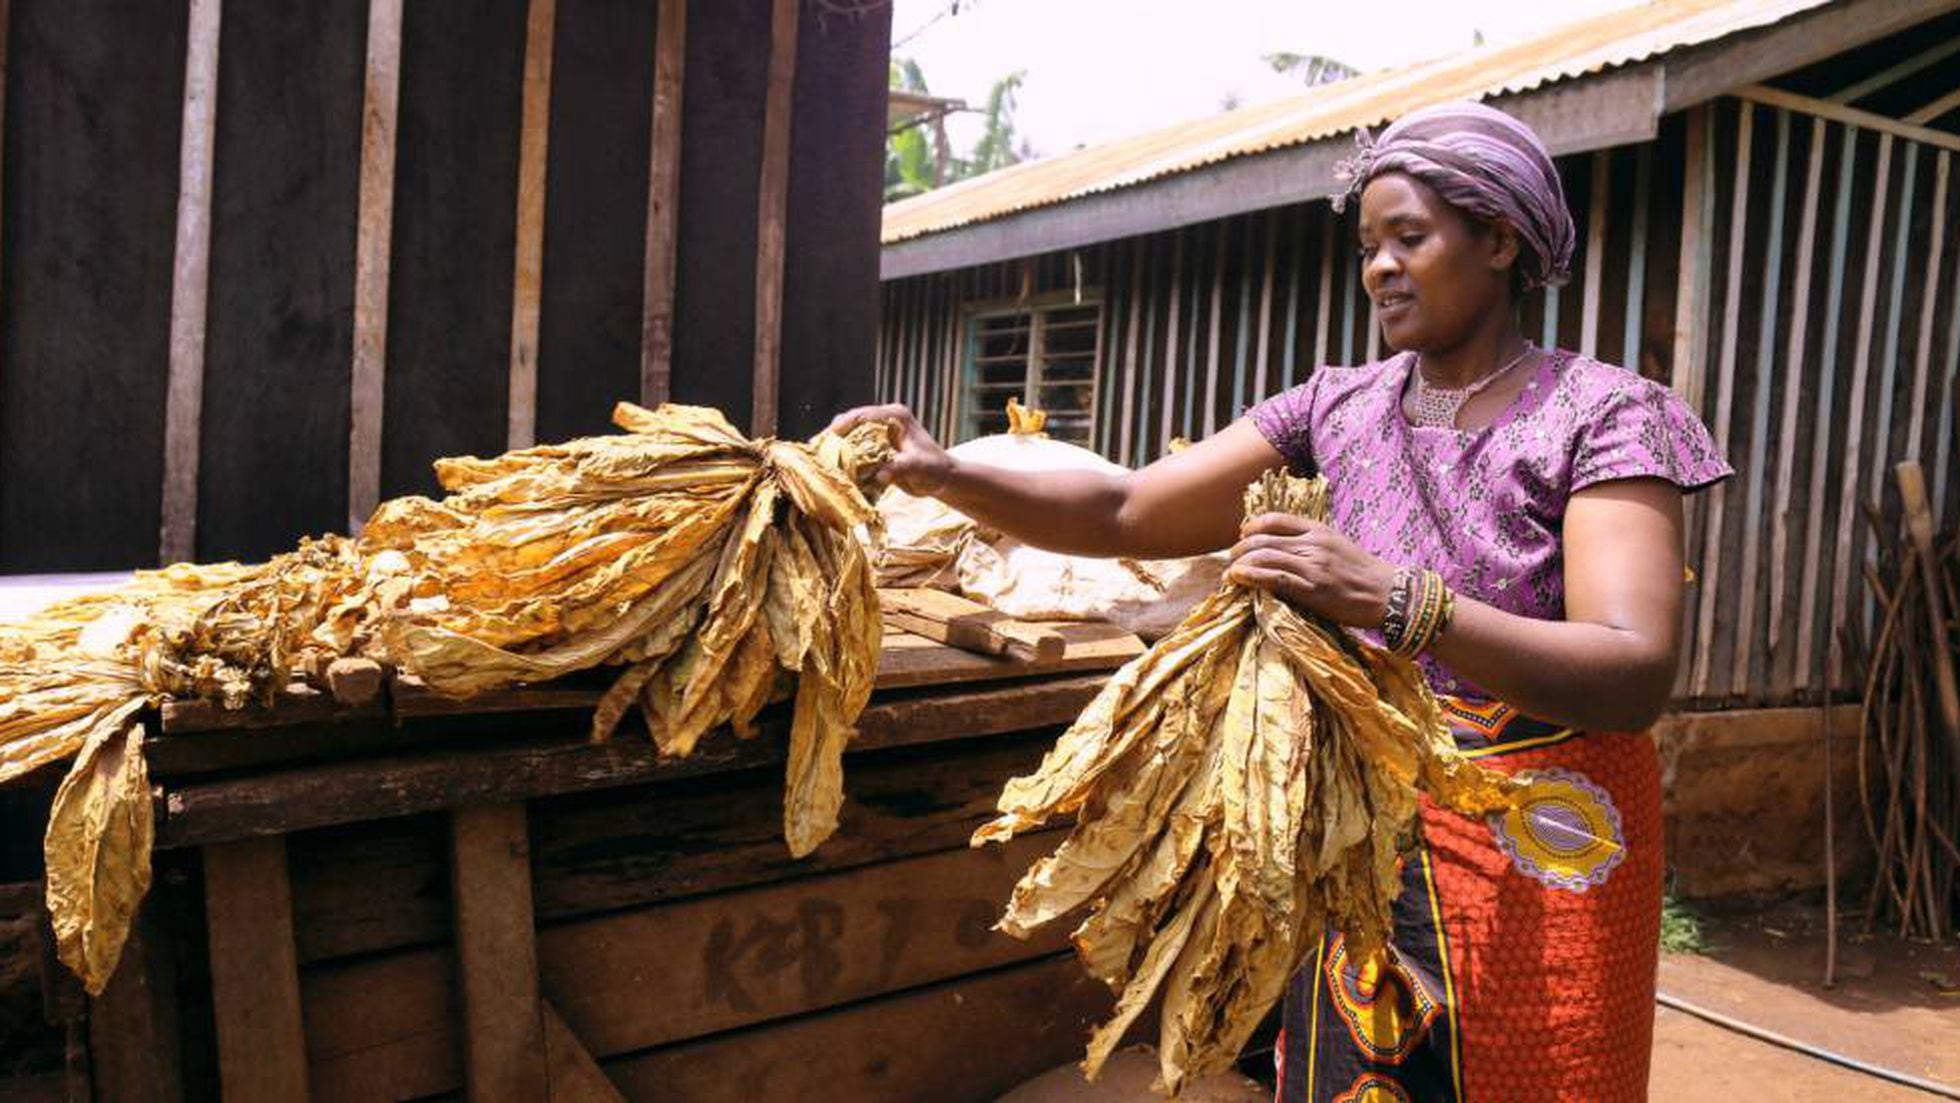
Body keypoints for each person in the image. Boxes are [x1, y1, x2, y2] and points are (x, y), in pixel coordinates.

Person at [832, 101, 1730, 1103]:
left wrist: (1393, 599)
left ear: (1499, 238)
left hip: (1537, 840)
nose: (1379, 266)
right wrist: (945, 470)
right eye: (1366, 246)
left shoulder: (1603, 412)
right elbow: (1128, 506)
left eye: (1409, 237)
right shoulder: (1336, 404)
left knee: (1532, 1072)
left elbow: (1631, 667)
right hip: (1355, 827)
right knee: (1357, 1072)